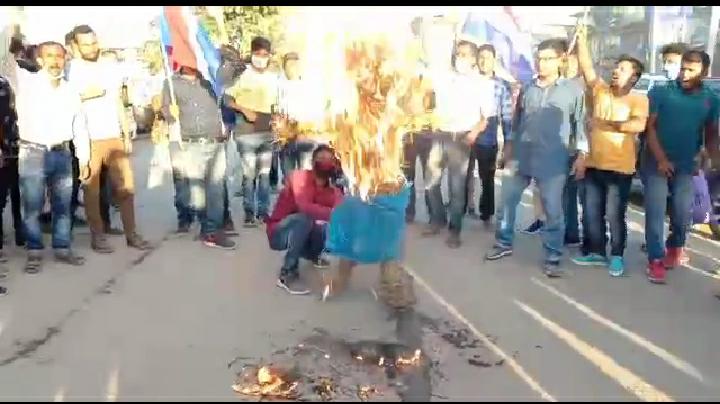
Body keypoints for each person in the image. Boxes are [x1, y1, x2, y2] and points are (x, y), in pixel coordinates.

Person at [485, 39, 587, 277]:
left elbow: (580, 125)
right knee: (507, 203)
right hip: (522, 156)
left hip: (553, 161)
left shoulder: (573, 91)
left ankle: (553, 257)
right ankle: (503, 243)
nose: (542, 63)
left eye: (548, 58)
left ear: (561, 60)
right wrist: (508, 149)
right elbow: (516, 122)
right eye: (539, 58)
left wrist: (582, 155)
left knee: (553, 210)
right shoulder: (528, 88)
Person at [571, 25, 648, 277]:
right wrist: (581, 41)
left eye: (623, 69)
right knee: (592, 213)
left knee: (614, 215)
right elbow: (586, 68)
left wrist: (606, 124)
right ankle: (596, 252)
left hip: (620, 169)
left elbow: (638, 124)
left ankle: (617, 255)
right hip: (594, 165)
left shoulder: (638, 99)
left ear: (634, 77)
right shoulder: (601, 91)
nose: (616, 71)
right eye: (616, 67)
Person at [68, 25, 151, 254]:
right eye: (85, 44)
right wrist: (86, 94)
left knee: (126, 188)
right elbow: (66, 102)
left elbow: (118, 101)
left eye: (93, 42)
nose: (91, 47)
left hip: (113, 135)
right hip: (88, 139)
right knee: (91, 191)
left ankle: (132, 234)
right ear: (76, 46)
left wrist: (126, 133)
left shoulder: (109, 67)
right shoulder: (71, 70)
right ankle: (98, 236)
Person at [642, 50, 719, 284]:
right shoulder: (661, 92)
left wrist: (711, 159)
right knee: (655, 212)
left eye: (691, 69)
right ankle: (655, 260)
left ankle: (675, 247)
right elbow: (649, 128)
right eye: (683, 68)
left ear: (704, 71)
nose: (684, 73)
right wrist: (662, 159)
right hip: (655, 162)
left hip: (686, 165)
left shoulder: (710, 99)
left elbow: (711, 133)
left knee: (683, 211)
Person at [14, 41, 90, 273]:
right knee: (32, 206)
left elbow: (80, 126)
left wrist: (84, 158)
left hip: (62, 154)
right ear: (39, 60)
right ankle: (34, 250)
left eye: (59, 56)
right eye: (49, 56)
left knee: (63, 206)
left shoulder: (71, 90)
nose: (55, 61)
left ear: (65, 59)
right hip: (33, 153)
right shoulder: (26, 85)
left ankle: (62, 247)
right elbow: (8, 57)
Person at [423, 40, 492, 248]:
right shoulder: (446, 78)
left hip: (461, 139)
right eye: (457, 54)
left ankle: (455, 231)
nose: (459, 58)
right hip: (440, 134)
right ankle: (437, 219)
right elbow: (430, 97)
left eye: (464, 55)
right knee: (430, 181)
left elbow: (485, 117)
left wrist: (473, 134)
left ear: (472, 59)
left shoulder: (481, 83)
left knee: (456, 187)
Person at [162, 65, 236, 249]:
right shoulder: (171, 84)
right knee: (198, 193)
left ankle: (213, 230)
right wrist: (170, 115)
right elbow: (165, 109)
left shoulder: (210, 79)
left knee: (216, 190)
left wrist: (227, 123)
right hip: (190, 144)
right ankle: (206, 228)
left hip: (215, 141)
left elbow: (226, 97)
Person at [266, 145, 342, 295]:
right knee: (304, 218)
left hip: (304, 232)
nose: (326, 162)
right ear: (313, 161)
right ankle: (288, 272)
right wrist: (333, 213)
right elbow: (304, 206)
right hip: (280, 233)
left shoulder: (333, 189)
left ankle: (313, 255)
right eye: (321, 158)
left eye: (329, 159)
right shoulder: (299, 177)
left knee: (325, 225)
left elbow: (342, 212)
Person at [224, 36, 278, 228]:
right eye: (258, 54)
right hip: (246, 133)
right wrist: (243, 109)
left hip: (267, 133)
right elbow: (227, 99)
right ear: (252, 54)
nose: (261, 58)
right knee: (249, 175)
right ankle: (249, 212)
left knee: (264, 175)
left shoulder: (273, 78)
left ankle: (263, 212)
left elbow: (277, 104)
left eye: (265, 55)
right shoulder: (242, 76)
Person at [465, 44, 513, 228]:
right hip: (466, 134)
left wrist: (508, 143)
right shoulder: (468, 81)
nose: (484, 61)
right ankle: (462, 208)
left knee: (487, 179)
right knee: (463, 176)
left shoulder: (501, 85)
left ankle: (487, 214)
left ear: (494, 60)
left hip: (488, 138)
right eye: (481, 57)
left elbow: (506, 116)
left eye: (488, 57)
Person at [0, 70, 25, 271]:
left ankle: (19, 232)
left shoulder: (3, 83)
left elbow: (9, 115)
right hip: (7, 148)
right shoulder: (4, 83)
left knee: (15, 193)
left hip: (10, 147)